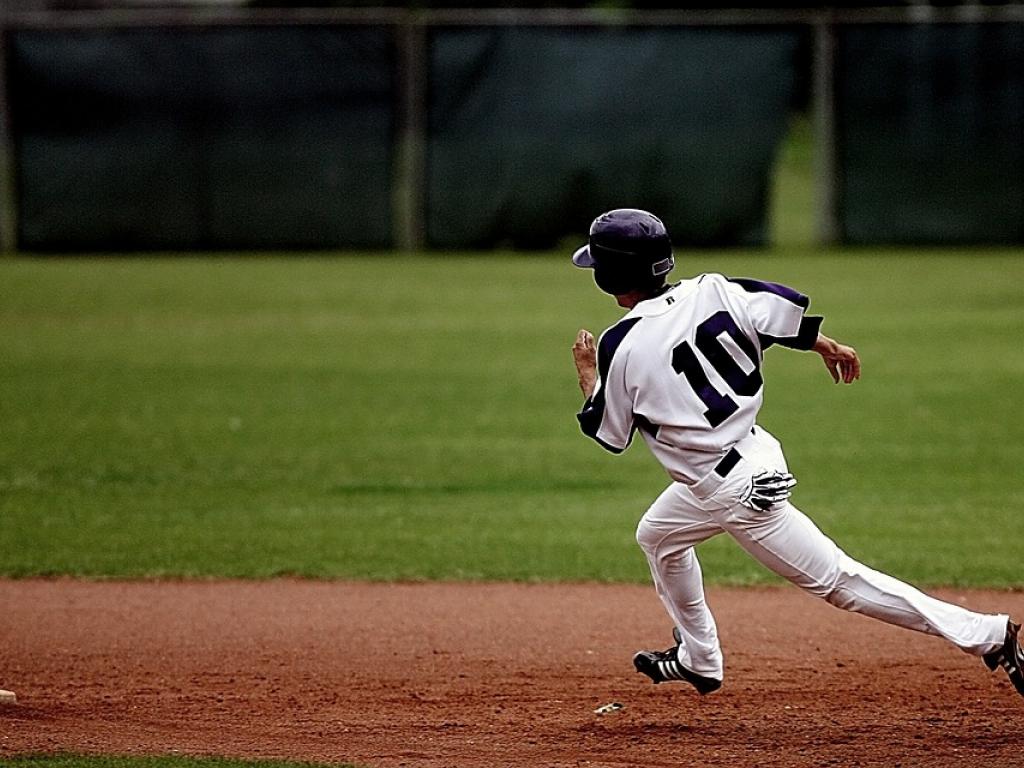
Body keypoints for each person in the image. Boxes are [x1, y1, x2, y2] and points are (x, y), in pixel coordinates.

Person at [569, 208, 1023, 698]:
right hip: (747, 458)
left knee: (840, 582)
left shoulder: (621, 343)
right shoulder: (713, 288)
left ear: (611, 275)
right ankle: (700, 659)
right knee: (658, 537)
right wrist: (826, 345)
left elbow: (609, 434)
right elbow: (777, 315)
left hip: (731, 489)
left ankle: (986, 635)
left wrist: (588, 377)